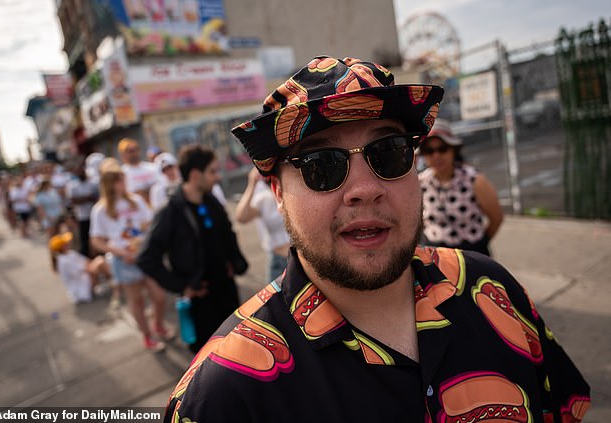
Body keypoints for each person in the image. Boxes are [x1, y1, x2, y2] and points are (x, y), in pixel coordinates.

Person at [162, 56, 590, 423]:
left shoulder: (492, 290)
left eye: (389, 152)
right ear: (278, 194)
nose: (365, 189)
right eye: (321, 165)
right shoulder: (224, 394)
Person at [137, 145, 243, 352]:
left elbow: (227, 234)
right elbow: (147, 258)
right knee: (209, 358)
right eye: (212, 172)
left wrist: (235, 261)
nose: (218, 177)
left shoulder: (211, 201)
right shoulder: (170, 212)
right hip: (200, 302)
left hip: (226, 292)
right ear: (195, 175)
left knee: (238, 349)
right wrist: (182, 287)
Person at [90, 159, 172, 351]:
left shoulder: (135, 201)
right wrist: (120, 251)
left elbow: (150, 224)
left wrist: (144, 241)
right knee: (137, 301)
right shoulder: (101, 210)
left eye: (123, 179)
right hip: (124, 261)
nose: (124, 183)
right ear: (110, 183)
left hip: (144, 257)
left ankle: (158, 325)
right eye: (119, 180)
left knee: (159, 296)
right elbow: (96, 240)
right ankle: (147, 336)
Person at [419, 119, 503, 256]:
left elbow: (496, 217)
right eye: (429, 151)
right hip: (436, 255)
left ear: (453, 150)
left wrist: (480, 244)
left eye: (442, 149)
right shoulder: (421, 182)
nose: (436, 156)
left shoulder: (474, 179)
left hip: (470, 254)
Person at [235, 167, 289, 282]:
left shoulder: (290, 194)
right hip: (279, 261)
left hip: (302, 257)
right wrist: (252, 184)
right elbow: (241, 217)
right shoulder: (264, 199)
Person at [49, 232, 110, 304]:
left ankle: (114, 283)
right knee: (100, 262)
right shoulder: (63, 261)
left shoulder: (70, 253)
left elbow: (86, 261)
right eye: (65, 243)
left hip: (83, 278)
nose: (68, 243)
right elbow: (84, 269)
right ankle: (116, 283)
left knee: (100, 261)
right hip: (80, 286)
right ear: (62, 246)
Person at [66, 162, 99, 257]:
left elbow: (96, 197)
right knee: (84, 239)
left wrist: (86, 198)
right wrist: (86, 198)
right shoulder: (72, 185)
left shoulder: (92, 183)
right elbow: (73, 200)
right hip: (82, 216)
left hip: (93, 216)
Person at [118, 138, 160, 206]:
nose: (134, 153)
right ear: (123, 154)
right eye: (130, 151)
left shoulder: (153, 168)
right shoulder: (121, 174)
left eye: (136, 149)